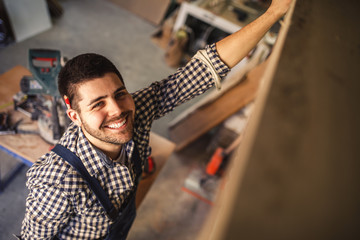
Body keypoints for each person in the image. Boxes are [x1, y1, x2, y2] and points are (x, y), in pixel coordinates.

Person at [20, 0, 292, 239]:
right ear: (74, 116)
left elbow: (205, 68)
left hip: (121, 225)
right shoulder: (57, 183)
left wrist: (274, 12)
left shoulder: (137, 109)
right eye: (98, 104)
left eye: (120, 94)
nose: (117, 111)